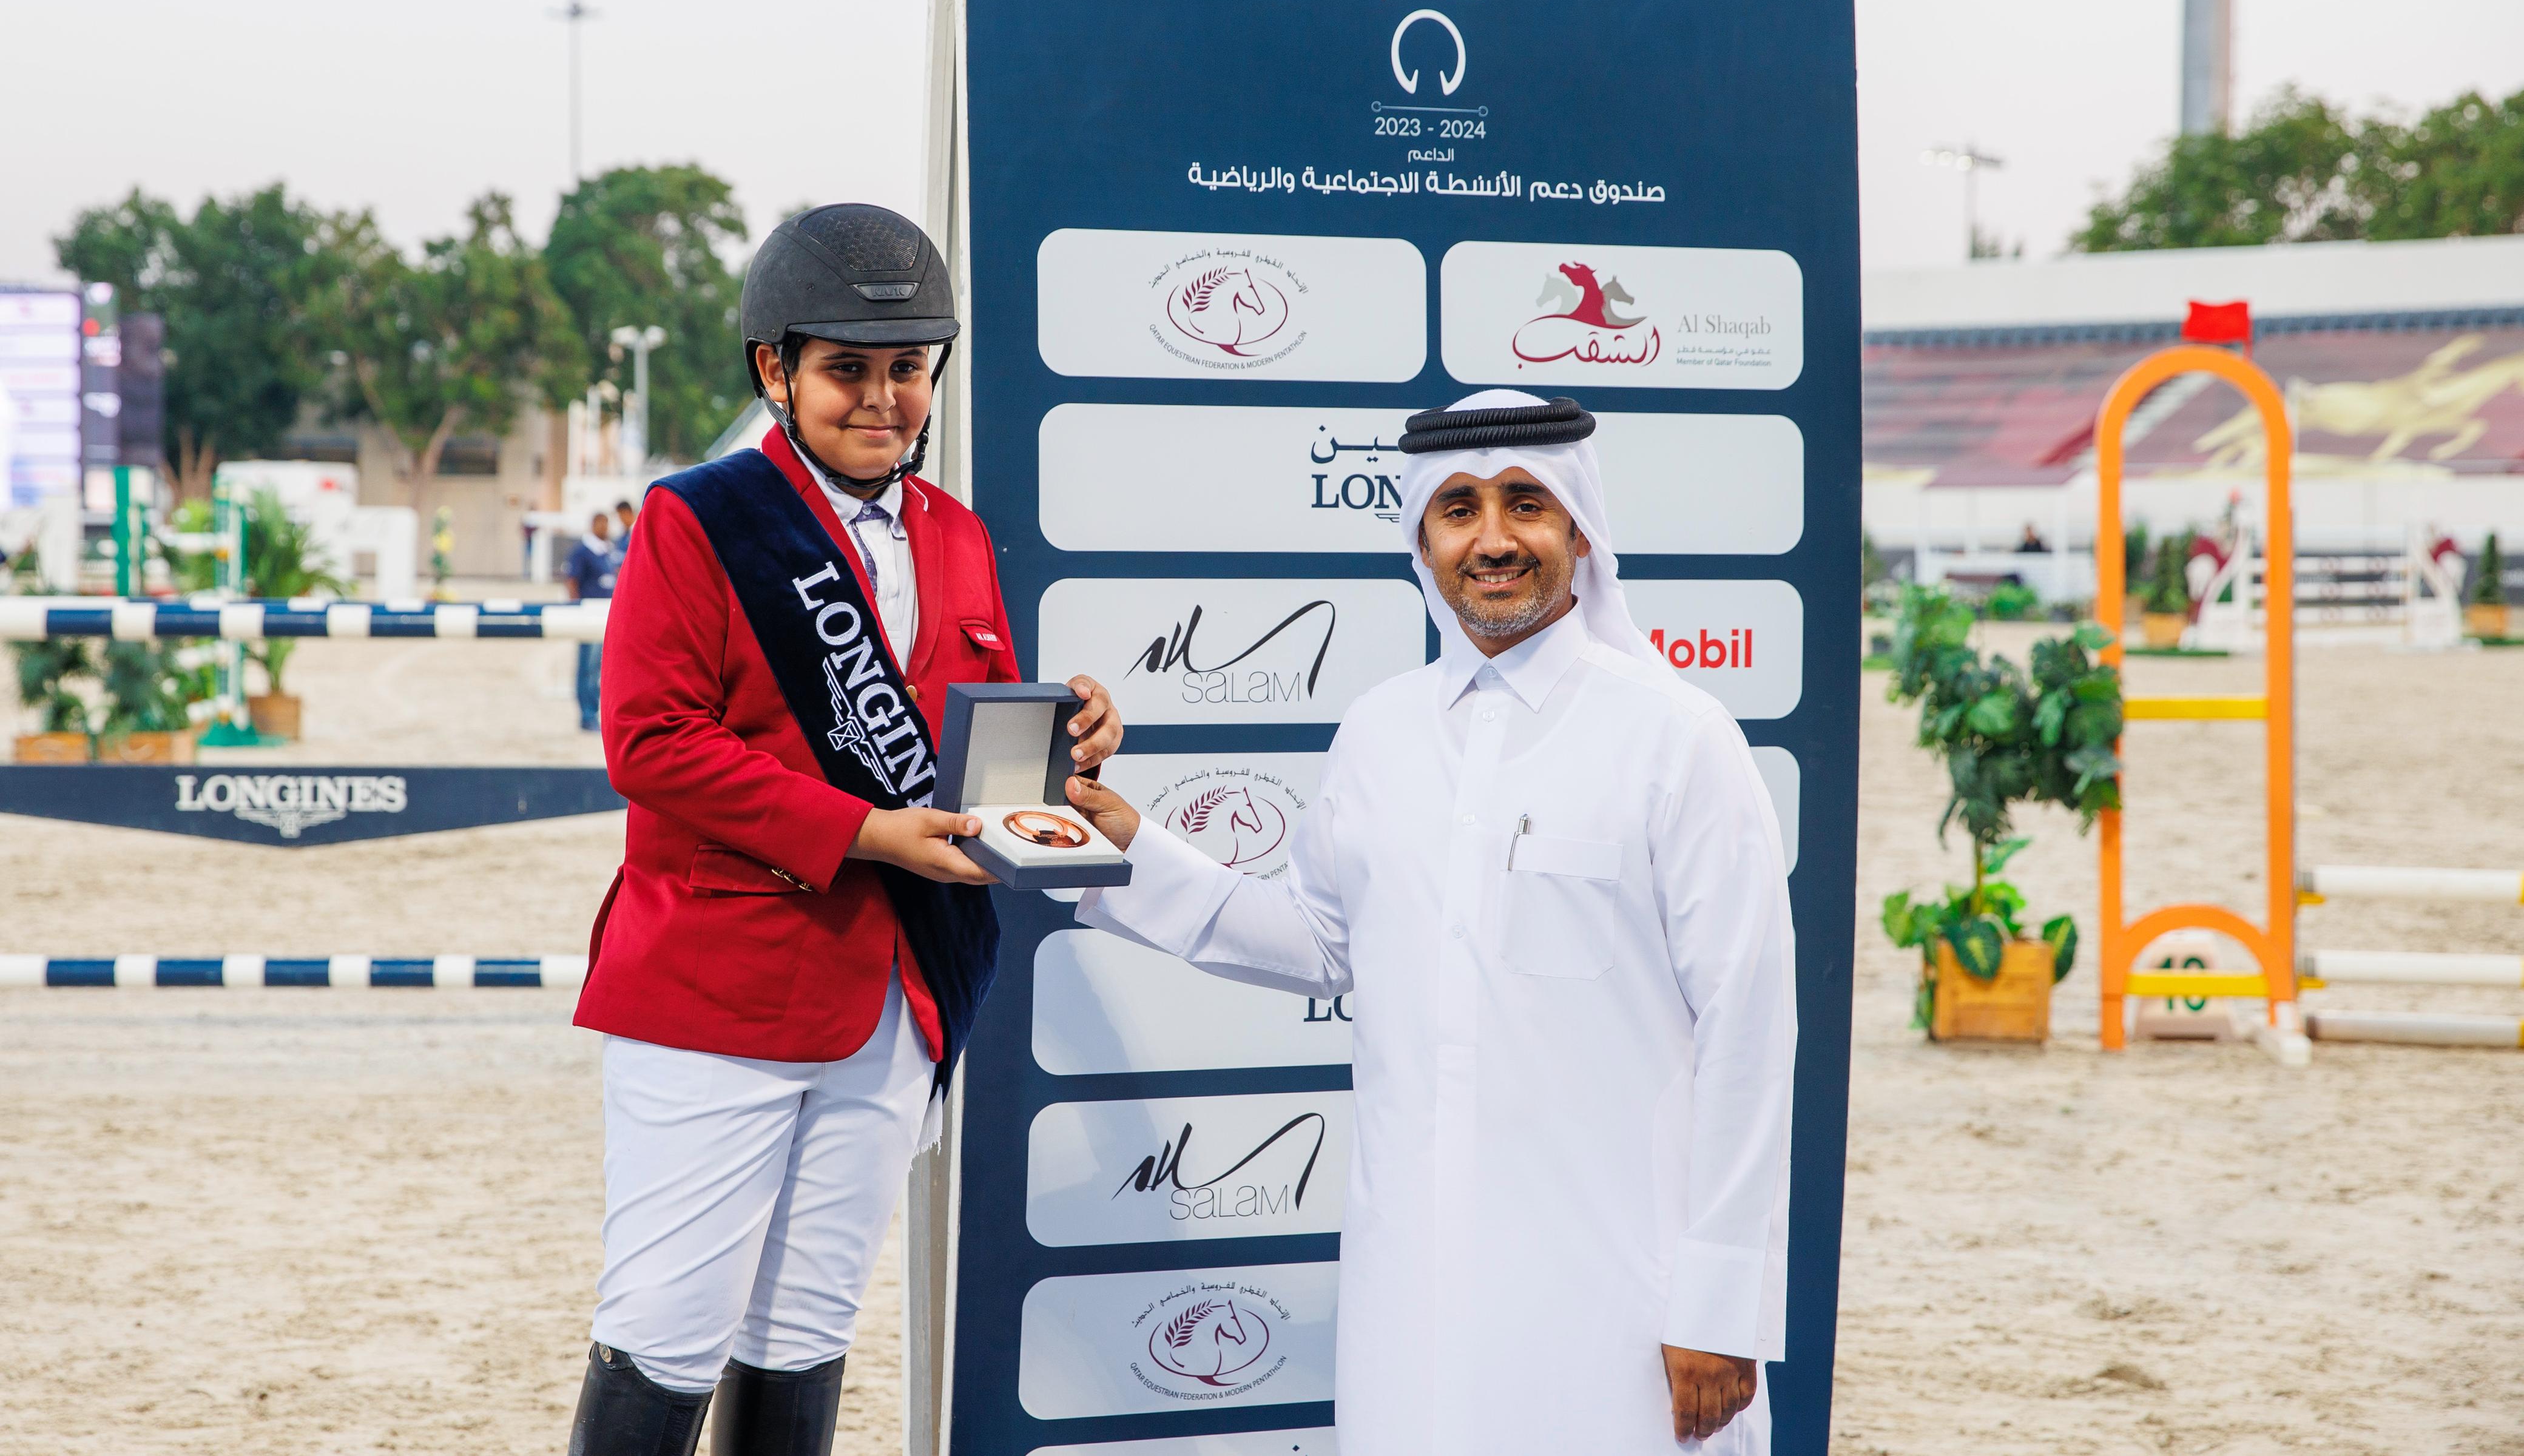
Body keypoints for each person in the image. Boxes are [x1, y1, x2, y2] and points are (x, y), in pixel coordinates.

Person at [1067, 391, 1798, 1455]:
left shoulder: (1678, 737)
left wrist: (1720, 1305)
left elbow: (1749, 1030)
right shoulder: (1380, 731)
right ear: (1423, 539)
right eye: (1459, 508)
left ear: (1581, 528)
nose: (1492, 539)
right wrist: (1125, 845)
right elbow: (1323, 940)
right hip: (1414, 1287)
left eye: (1525, 504)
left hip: (1618, 1294)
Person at [563, 204, 1124, 1456]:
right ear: (776, 369)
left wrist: (1069, 739)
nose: (882, 399)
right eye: (848, 369)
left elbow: (966, 739)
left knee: (807, 1329)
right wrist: (865, 830)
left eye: (907, 367)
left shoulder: (955, 532)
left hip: (897, 992)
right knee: (666, 1331)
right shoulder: (697, 517)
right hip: (719, 987)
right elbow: (651, 742)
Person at [564, 511, 618, 732]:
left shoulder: (608, 551)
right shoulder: (583, 552)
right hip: (588, 615)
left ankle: (595, 712)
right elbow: (572, 581)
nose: (605, 528)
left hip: (606, 617)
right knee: (588, 667)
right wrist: (576, 609)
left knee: (600, 669)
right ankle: (587, 714)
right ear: (593, 525)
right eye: (601, 524)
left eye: (607, 524)